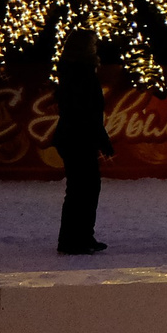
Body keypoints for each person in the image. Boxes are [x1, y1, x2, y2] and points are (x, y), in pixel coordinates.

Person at [54, 31, 114, 254]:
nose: (96, 46)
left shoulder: (76, 70)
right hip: (77, 138)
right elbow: (85, 112)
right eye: (93, 43)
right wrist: (102, 140)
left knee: (84, 189)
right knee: (82, 189)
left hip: (77, 137)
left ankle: (81, 236)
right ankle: (74, 239)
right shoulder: (79, 72)